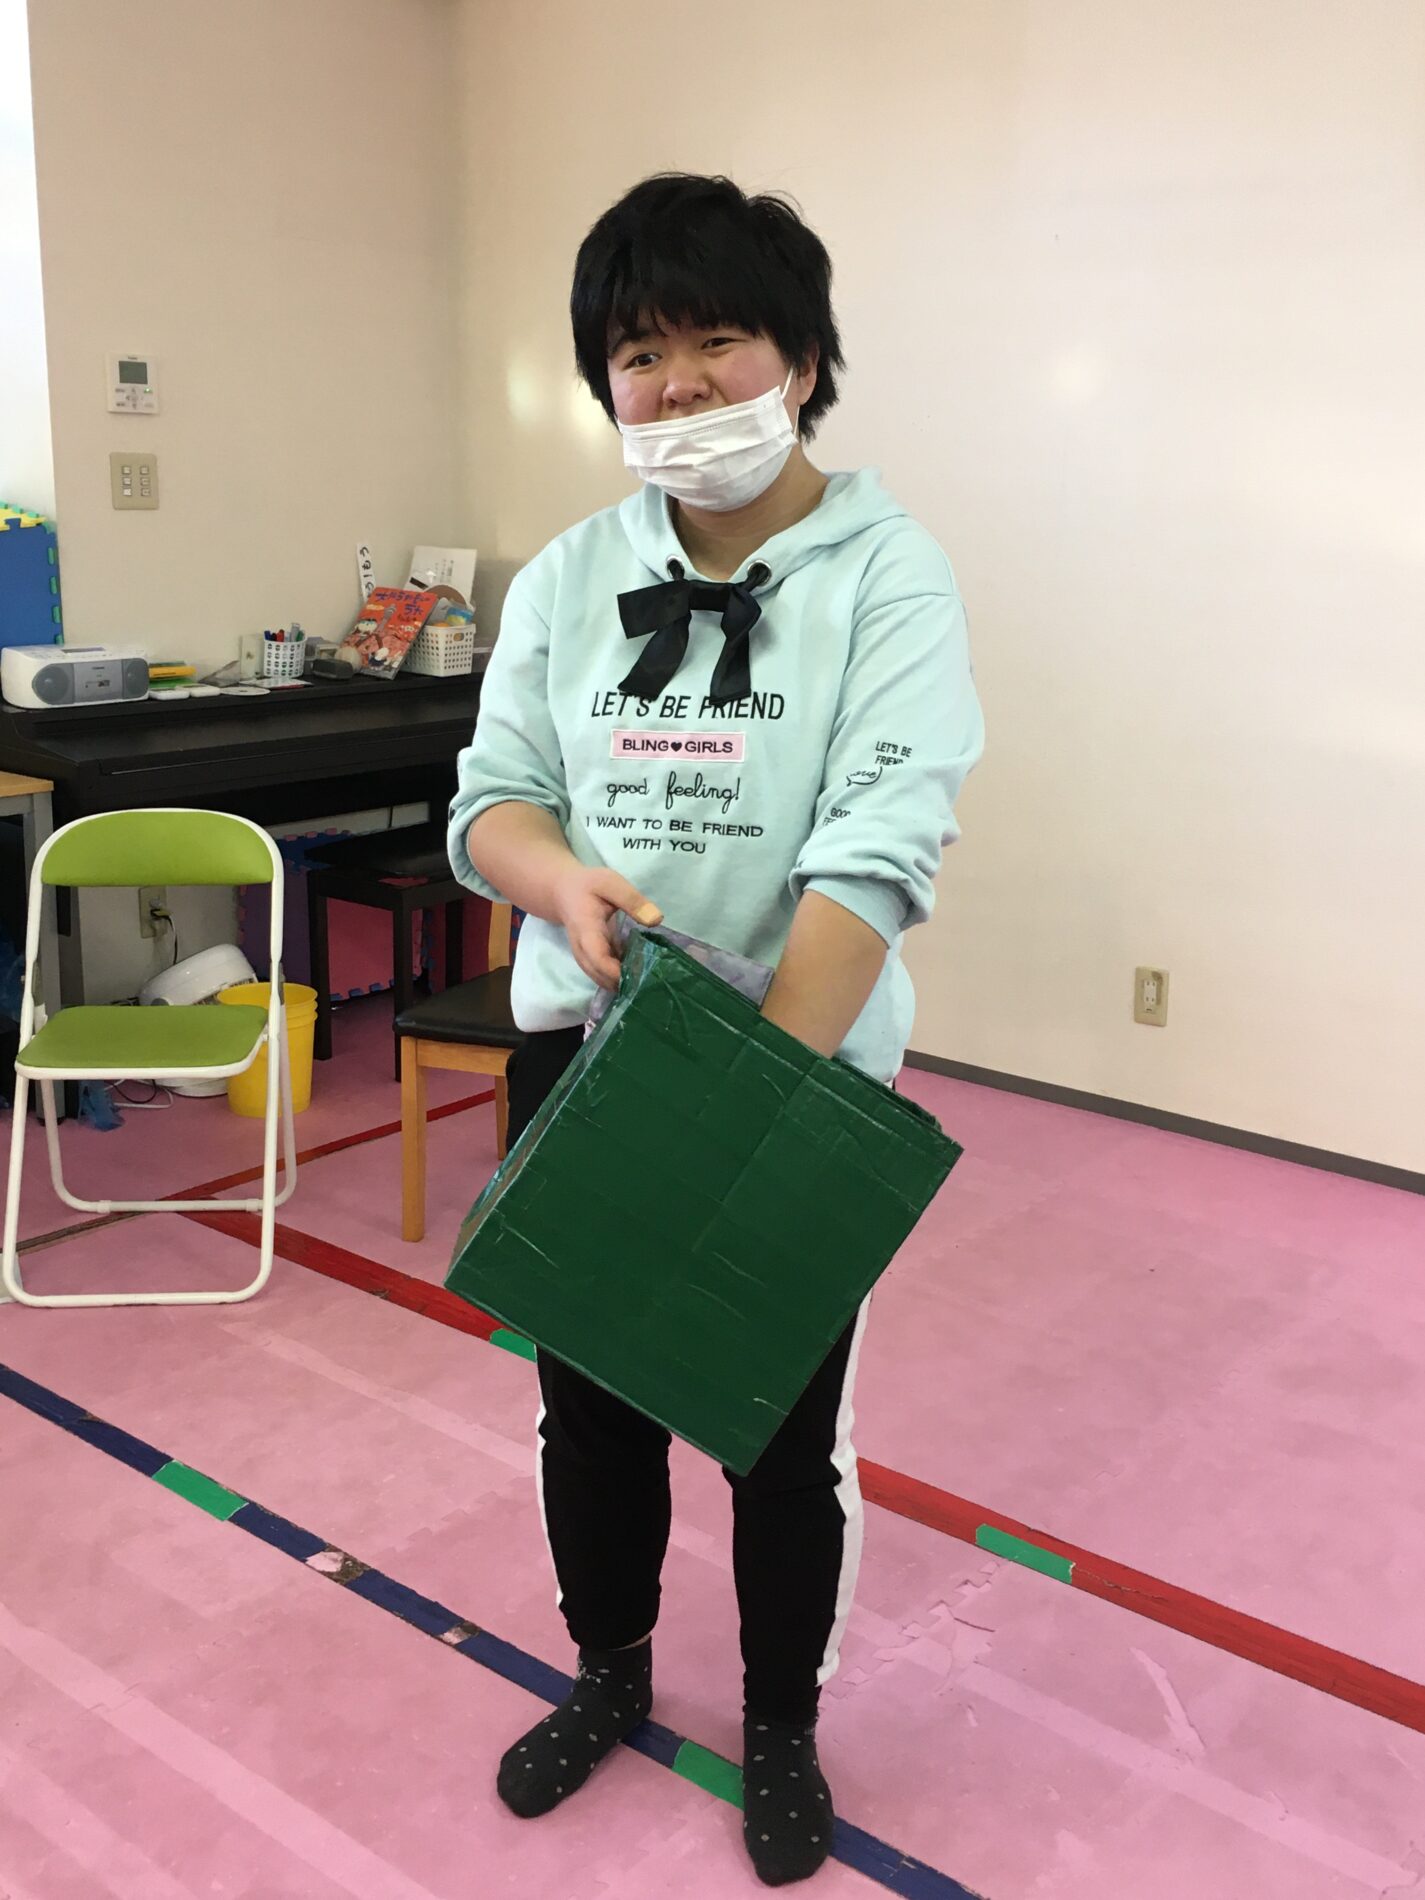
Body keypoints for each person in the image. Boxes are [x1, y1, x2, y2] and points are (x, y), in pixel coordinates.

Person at [449, 172, 984, 1887]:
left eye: (717, 342)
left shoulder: (888, 573)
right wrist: (558, 886)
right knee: (589, 1410)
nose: (676, 385)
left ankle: (777, 1724)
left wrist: (749, 1099)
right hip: (587, 1057)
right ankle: (607, 1669)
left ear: (802, 361)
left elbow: (877, 845)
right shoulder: (568, 576)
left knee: (775, 1432)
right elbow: (492, 802)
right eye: (637, 354)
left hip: (795, 1070)